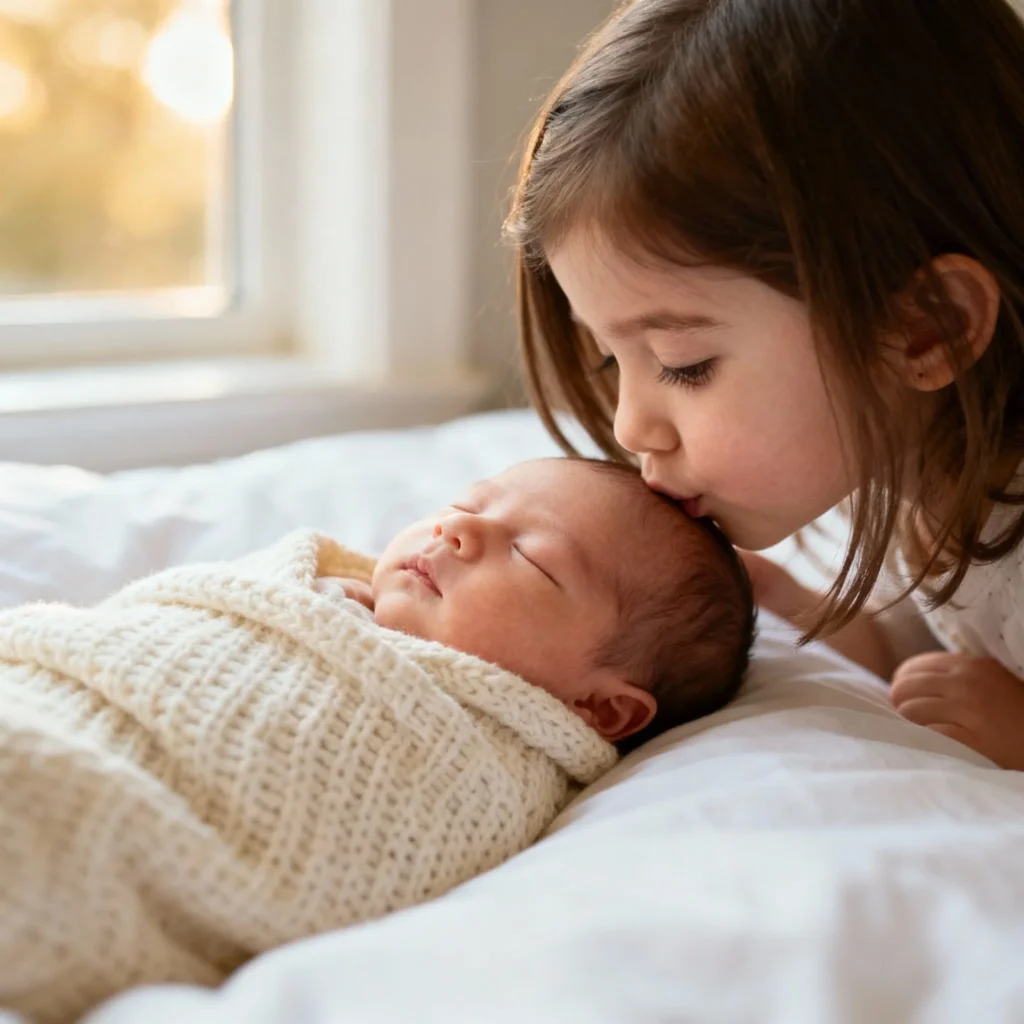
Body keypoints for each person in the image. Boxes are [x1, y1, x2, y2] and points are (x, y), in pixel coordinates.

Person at [0, 457, 753, 1023]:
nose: (458, 530)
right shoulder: (308, 591)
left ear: (603, 710)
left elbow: (339, 858)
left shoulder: (479, 765)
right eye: (467, 504)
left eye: (530, 556)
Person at [507, 0, 1024, 770]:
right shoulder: (911, 465)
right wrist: (799, 607)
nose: (630, 427)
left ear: (925, 328)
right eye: (613, 360)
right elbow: (928, 644)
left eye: (685, 364)